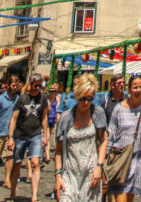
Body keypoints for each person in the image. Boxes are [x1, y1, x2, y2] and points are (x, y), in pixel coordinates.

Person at [54, 74, 108, 202]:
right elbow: (58, 151)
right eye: (83, 98)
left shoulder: (97, 113)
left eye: (90, 98)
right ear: (77, 95)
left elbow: (104, 140)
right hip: (69, 173)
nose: (86, 102)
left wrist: (99, 166)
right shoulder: (66, 117)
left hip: (91, 174)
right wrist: (57, 176)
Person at [105, 74, 141, 201]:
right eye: (135, 87)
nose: (138, 90)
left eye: (140, 87)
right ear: (129, 90)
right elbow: (110, 134)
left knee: (129, 199)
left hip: (137, 162)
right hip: (120, 159)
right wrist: (105, 158)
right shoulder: (119, 109)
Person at [8, 73, 50, 202]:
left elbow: (44, 117)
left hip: (35, 135)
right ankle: (13, 190)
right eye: (35, 85)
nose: (38, 88)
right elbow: (14, 119)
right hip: (20, 135)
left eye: (40, 85)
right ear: (30, 85)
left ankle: (34, 196)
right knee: (18, 163)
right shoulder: (22, 99)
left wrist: (45, 135)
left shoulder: (42, 98)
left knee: (35, 163)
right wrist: (10, 137)